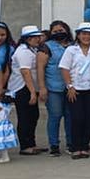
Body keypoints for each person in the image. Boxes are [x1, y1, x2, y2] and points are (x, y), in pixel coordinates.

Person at [59, 22, 90, 160]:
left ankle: (85, 146)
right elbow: (64, 68)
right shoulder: (71, 50)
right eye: (84, 34)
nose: (86, 37)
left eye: (89, 34)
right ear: (78, 35)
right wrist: (69, 86)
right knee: (77, 118)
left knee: (89, 118)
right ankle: (75, 147)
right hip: (75, 89)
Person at [38, 21, 73, 156]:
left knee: (70, 116)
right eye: (55, 31)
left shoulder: (73, 45)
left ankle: (71, 143)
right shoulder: (46, 47)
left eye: (61, 31)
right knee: (55, 116)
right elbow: (40, 68)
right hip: (53, 87)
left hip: (71, 87)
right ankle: (54, 145)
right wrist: (42, 87)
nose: (59, 33)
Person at [8, 25, 44, 155]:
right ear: (27, 39)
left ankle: (31, 143)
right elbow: (25, 72)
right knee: (25, 117)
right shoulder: (23, 51)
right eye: (34, 37)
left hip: (29, 87)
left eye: (38, 36)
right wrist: (32, 92)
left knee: (33, 116)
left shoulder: (32, 50)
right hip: (22, 87)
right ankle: (25, 145)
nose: (38, 39)